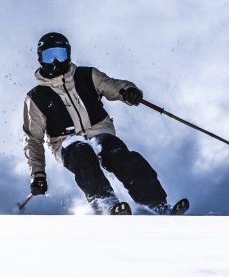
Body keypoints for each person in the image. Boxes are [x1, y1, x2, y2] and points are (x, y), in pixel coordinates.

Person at [22, 32, 180, 214]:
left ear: (69, 53)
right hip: (66, 142)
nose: (56, 61)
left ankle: (158, 204)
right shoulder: (36, 97)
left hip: (100, 132)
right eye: (50, 56)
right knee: (83, 155)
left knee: (120, 156)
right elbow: (33, 139)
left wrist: (128, 91)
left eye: (60, 54)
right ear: (41, 59)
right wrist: (37, 174)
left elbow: (113, 86)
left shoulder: (87, 75)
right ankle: (105, 204)